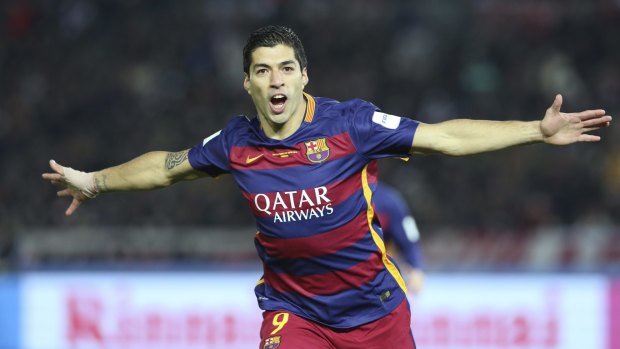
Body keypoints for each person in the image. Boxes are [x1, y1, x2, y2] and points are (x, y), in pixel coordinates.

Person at [42, 25, 612, 349]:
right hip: (296, 313)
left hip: (376, 311)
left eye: (286, 68)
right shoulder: (235, 142)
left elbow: (444, 137)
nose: (276, 80)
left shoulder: (351, 125)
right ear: (247, 83)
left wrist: (535, 132)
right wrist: (95, 182)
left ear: (304, 75)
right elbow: (165, 167)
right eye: (263, 71)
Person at [373, 183, 425, 295]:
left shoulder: (389, 200)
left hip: (376, 281)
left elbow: (410, 238)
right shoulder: (330, 198)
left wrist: (416, 267)